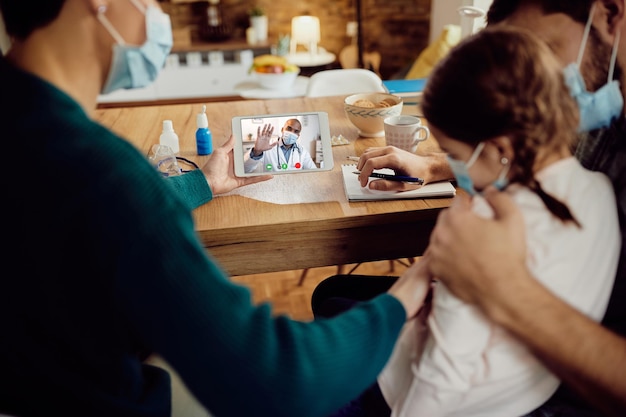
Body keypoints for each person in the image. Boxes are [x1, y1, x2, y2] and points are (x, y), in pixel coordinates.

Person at [0, 1, 432, 416]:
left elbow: (92, 218)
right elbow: (279, 381)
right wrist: (411, 290)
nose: (156, 14)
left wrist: (203, 183)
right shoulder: (102, 173)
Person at [313, 0, 626, 414]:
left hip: (537, 384)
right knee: (334, 297)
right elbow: (531, 153)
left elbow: (443, 373)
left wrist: (500, 286)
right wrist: (440, 165)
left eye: (543, 50)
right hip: (515, 351)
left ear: (609, 12)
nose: (533, 79)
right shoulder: (593, 137)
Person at [243, 118, 318, 173]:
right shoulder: (267, 146)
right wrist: (257, 152)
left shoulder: (302, 151)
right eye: (289, 129)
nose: (292, 133)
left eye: (296, 131)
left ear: (298, 135)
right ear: (282, 130)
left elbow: (314, 172)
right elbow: (245, 169)